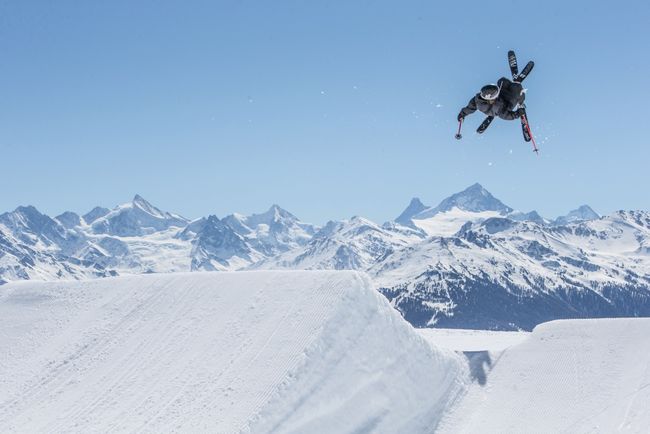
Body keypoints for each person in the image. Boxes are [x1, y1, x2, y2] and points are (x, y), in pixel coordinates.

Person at [457, 77, 526, 122]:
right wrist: (517, 114)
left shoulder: (477, 99)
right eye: (495, 93)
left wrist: (462, 114)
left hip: (498, 101)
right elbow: (505, 116)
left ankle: (513, 85)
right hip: (506, 104)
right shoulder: (498, 107)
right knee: (516, 90)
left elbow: (470, 107)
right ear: (490, 99)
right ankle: (520, 101)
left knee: (501, 81)